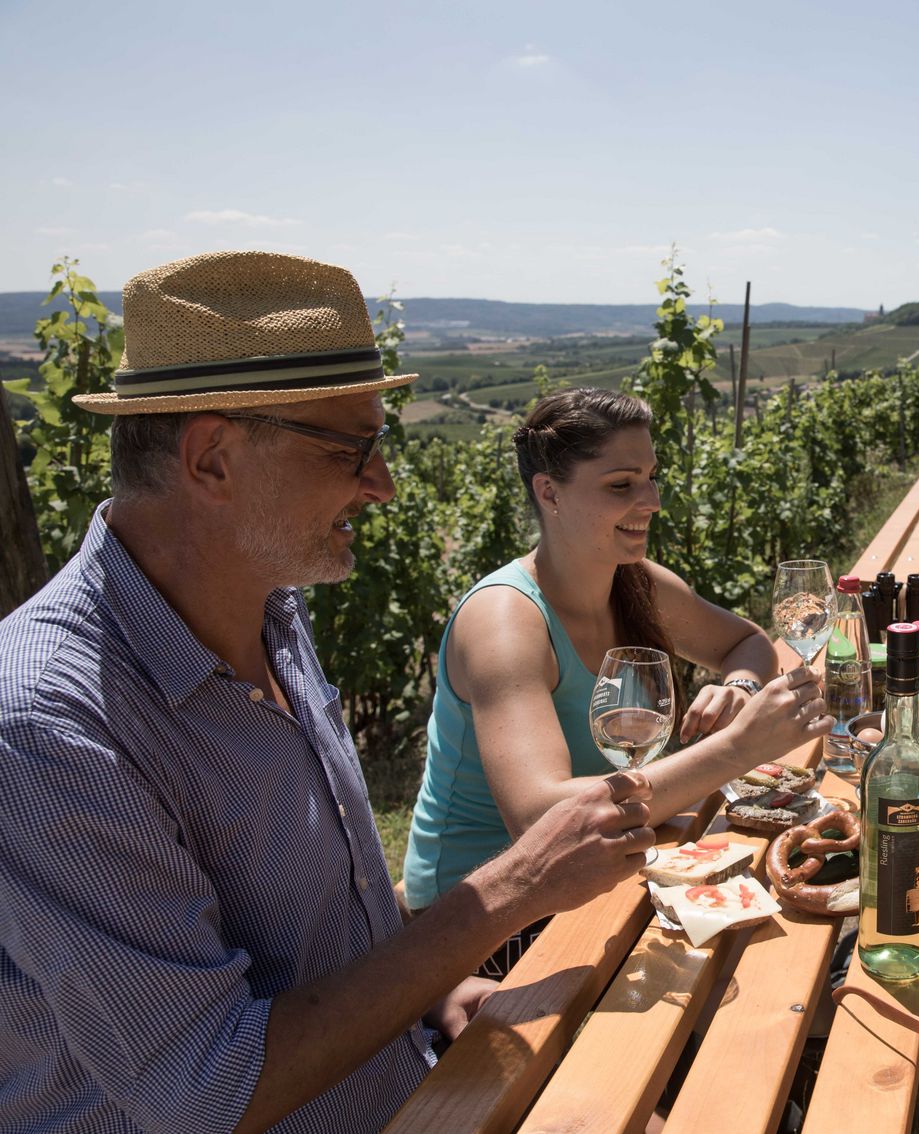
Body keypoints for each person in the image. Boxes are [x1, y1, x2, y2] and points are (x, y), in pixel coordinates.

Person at [0, 251, 818, 1134]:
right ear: (211, 458)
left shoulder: (271, 612)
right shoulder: (50, 723)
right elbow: (208, 1089)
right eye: (351, 450)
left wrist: (436, 994)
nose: (384, 483)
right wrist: (508, 893)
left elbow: (320, 927)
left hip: (409, 1073)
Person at [402, 387, 831, 973]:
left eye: (652, 478)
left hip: (601, 866)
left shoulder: (634, 581)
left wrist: (740, 689)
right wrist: (738, 749)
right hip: (482, 925)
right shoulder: (505, 622)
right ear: (549, 492)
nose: (651, 500)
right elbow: (541, 822)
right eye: (621, 485)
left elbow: (748, 642)